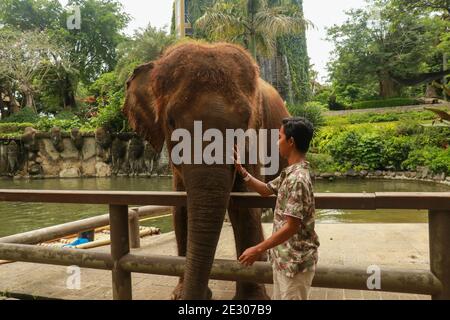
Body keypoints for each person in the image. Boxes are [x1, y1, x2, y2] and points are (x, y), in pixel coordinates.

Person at [235, 117, 320, 300]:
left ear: (291, 142)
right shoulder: (289, 174)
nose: (277, 142)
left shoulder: (297, 179)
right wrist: (242, 170)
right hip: (284, 262)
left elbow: (291, 226)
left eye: (280, 137)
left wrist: (257, 249)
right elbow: (265, 190)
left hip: (295, 266)